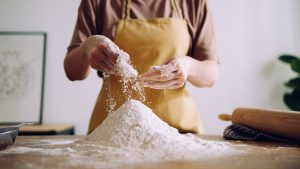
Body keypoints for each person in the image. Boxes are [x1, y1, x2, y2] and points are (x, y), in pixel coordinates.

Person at [64, 0, 219, 134]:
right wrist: (87, 47)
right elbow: (72, 72)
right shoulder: (98, 3)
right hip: (112, 132)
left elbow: (211, 75)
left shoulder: (192, 3)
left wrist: (188, 66)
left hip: (179, 131)